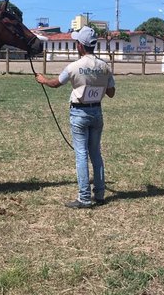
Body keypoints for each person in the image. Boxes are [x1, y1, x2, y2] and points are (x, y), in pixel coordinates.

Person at [35, 26, 116, 208]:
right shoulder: (104, 66)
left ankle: (84, 197)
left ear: (80, 45)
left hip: (79, 113)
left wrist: (43, 80)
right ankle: (100, 194)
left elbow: (56, 83)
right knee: (96, 153)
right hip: (97, 112)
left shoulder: (73, 66)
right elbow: (111, 92)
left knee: (81, 154)